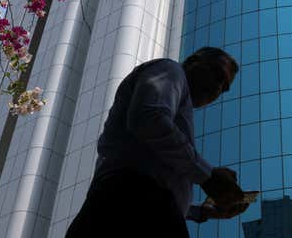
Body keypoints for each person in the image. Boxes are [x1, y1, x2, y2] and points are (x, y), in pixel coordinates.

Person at [65, 47, 248, 237]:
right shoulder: (170, 70)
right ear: (194, 61)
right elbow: (147, 119)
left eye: (224, 87)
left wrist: (201, 212)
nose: (218, 87)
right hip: (128, 201)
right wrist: (208, 175)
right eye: (217, 75)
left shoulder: (178, 103)